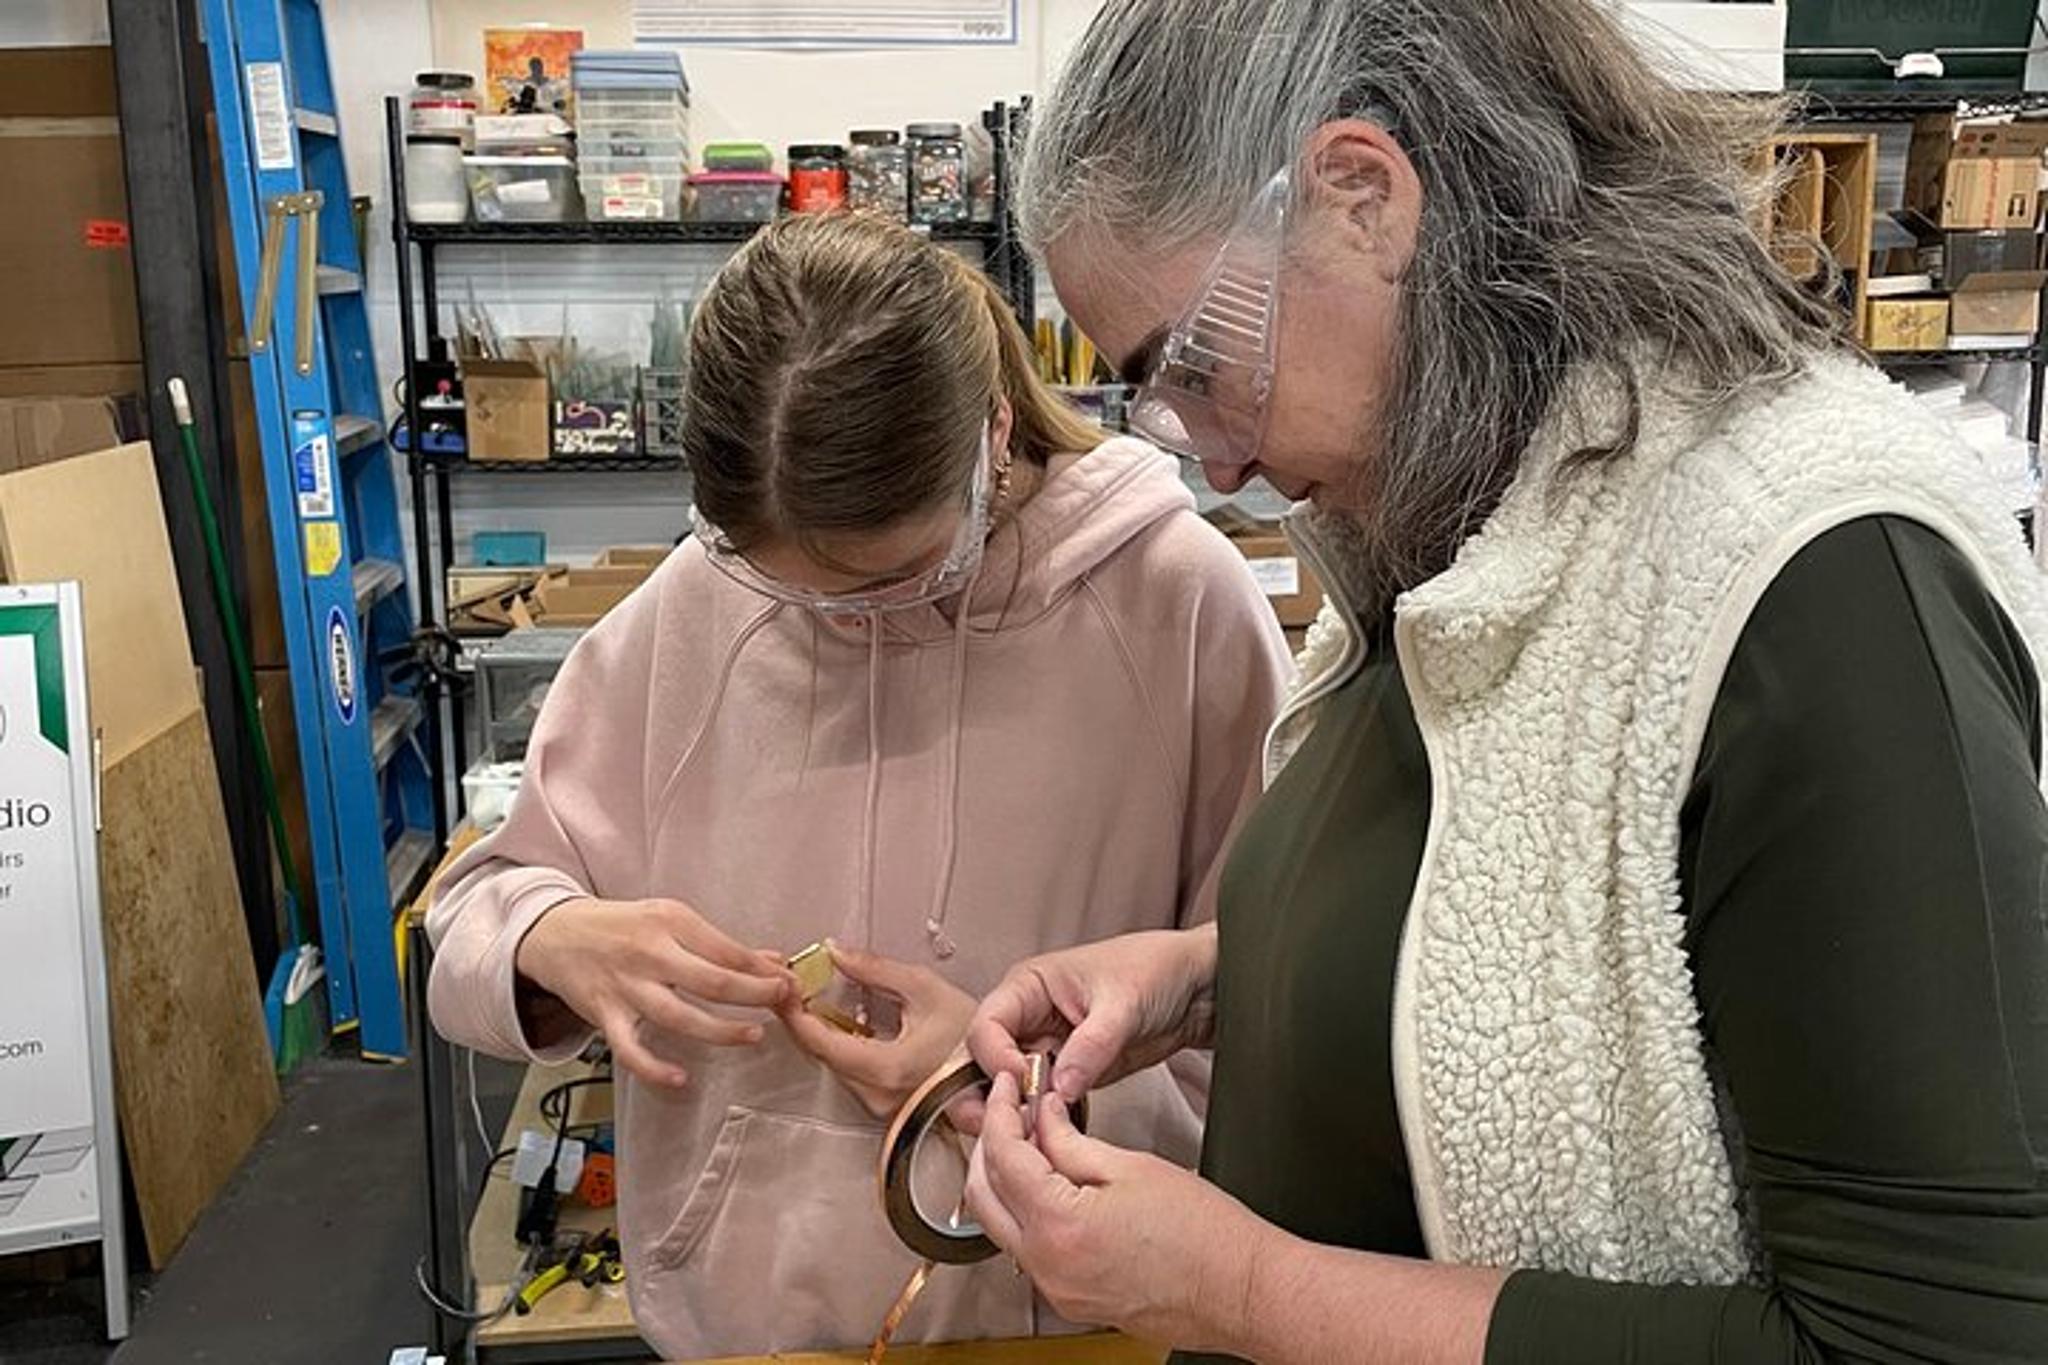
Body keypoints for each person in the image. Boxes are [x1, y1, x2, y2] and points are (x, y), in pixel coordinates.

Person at [962, 2, 2048, 1362]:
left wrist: (1243, 1292)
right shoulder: (1453, 507)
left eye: (1193, 363)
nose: (1213, 463)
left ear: (1363, 197)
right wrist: (1216, 976)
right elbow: (1527, 938)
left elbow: (1933, 1342)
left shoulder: (1824, 575)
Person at [425, 212, 1289, 1358]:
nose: (839, 619)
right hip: (754, 1329)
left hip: (1077, 1317)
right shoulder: (696, 610)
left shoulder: (1175, 603)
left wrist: (998, 1087)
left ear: (990, 438)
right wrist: (553, 941)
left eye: (892, 580)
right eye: (787, 590)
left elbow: (1273, 1004)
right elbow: (468, 924)